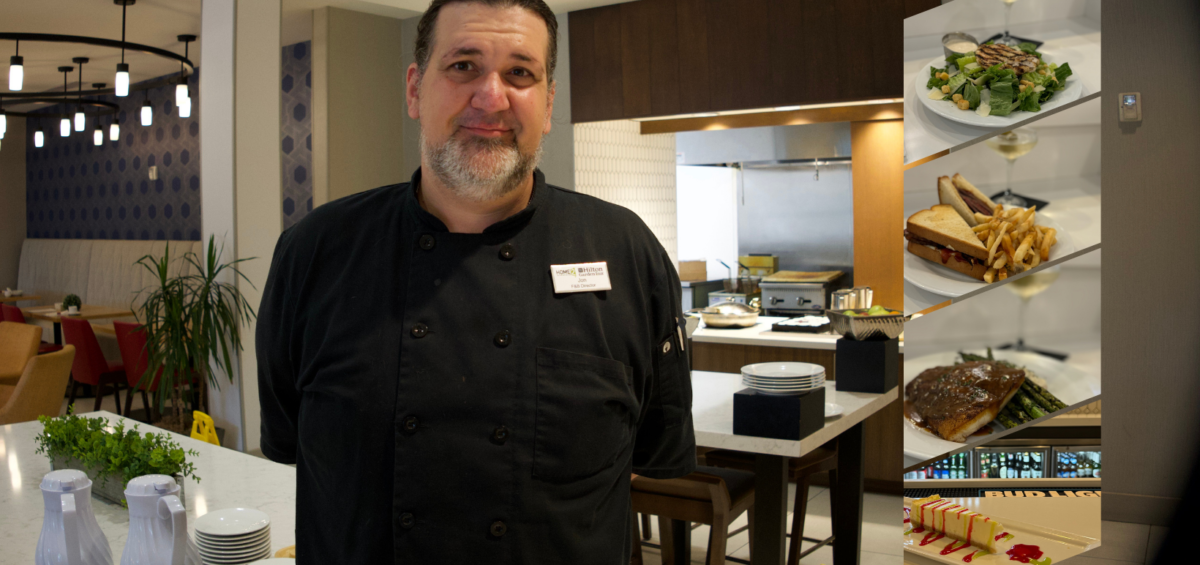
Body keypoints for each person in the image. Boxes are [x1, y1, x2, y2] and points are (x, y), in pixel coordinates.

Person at [255, 0, 697, 563]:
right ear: (414, 89)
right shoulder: (315, 252)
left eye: (520, 73)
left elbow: (650, 452)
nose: (492, 97)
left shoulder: (627, 253)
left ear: (549, 101)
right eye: (463, 65)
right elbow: (290, 438)